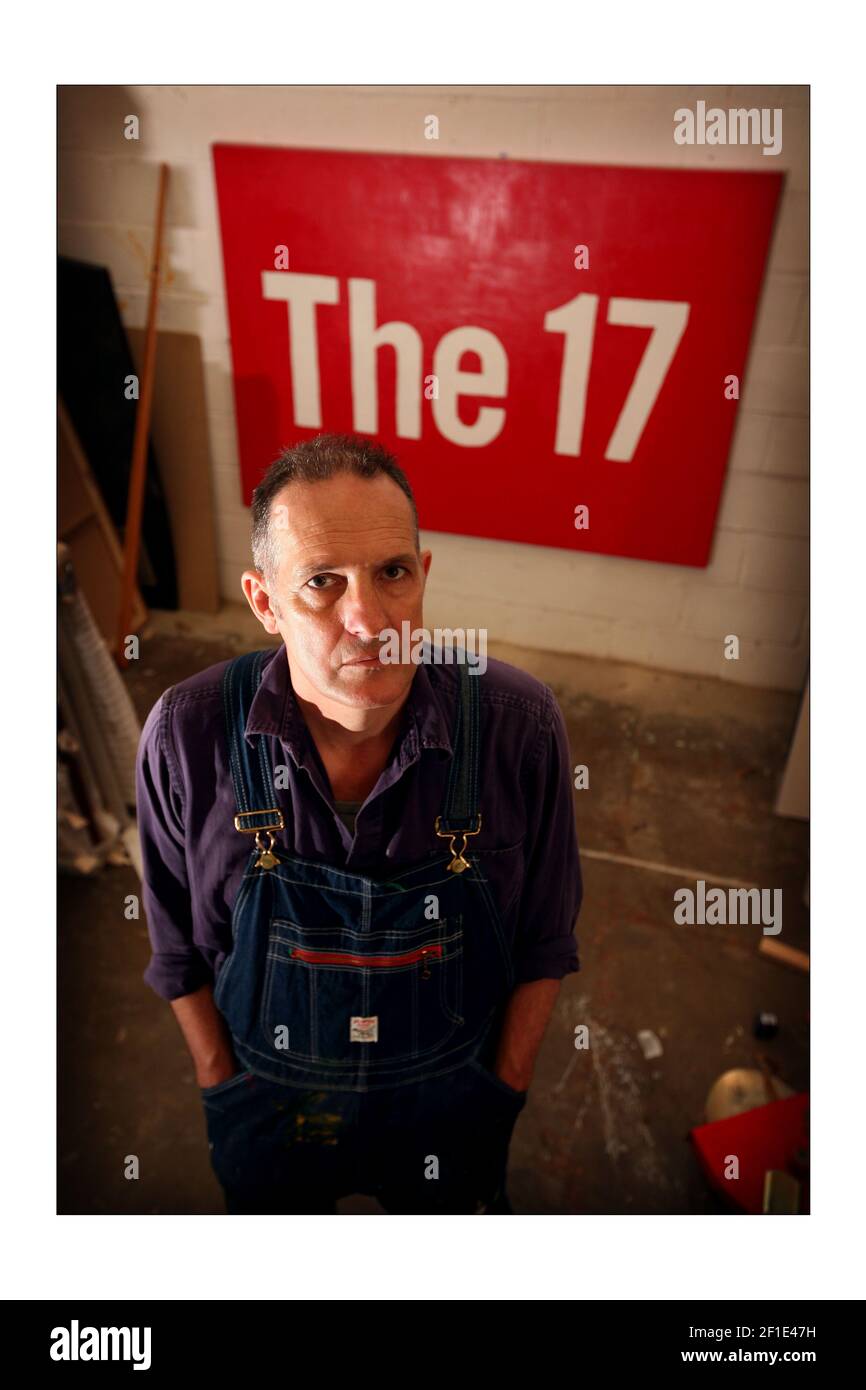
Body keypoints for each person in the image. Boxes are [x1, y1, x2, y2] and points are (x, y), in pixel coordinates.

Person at [136, 433, 582, 1213]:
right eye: (320, 583)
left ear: (424, 575)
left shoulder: (517, 724)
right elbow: (176, 945)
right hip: (269, 1108)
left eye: (392, 573)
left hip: (452, 1108)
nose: (369, 618)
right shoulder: (188, 734)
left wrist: (502, 1088)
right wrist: (219, 1078)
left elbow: (545, 937)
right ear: (265, 603)